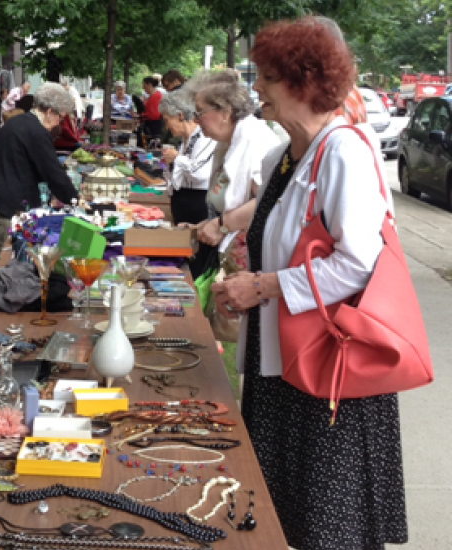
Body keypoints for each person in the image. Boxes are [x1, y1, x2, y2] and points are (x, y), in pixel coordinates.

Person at [211, 17, 405, 550]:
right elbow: (278, 244)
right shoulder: (283, 158)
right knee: (281, 518)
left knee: (330, 527)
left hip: (329, 369)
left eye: (266, 79)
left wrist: (266, 286)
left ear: (301, 81)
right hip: (283, 368)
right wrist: (245, 288)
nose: (256, 91)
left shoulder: (343, 151)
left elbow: (359, 263)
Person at [180, 70, 279, 278]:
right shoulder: (228, 143)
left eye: (199, 112)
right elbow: (228, 203)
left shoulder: (257, 141)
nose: (196, 120)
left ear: (225, 112)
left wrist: (221, 225)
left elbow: (267, 202)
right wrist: (202, 226)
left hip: (250, 270)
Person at [0, 82, 79, 254]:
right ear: (49, 112)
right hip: (10, 209)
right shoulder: (38, 132)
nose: (58, 124)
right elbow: (54, 174)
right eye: (60, 118)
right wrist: (75, 199)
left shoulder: (13, 122)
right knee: (1, 263)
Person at [159, 90, 216, 230]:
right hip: (183, 206)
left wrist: (177, 159)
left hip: (198, 206)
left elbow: (201, 174)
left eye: (167, 120)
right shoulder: (184, 141)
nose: (167, 127)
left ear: (180, 115)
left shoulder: (204, 137)